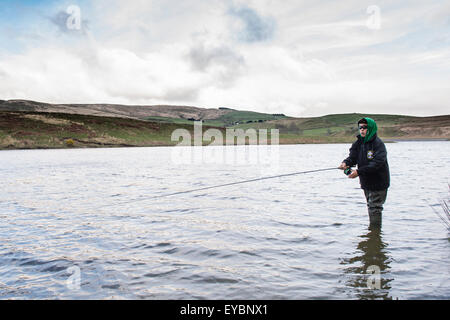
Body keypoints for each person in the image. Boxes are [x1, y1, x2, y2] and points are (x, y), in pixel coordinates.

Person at [339, 117, 390, 227]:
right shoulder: (358, 143)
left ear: (371, 128)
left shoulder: (378, 144)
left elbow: (376, 163)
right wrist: (345, 163)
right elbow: (352, 157)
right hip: (366, 182)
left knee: (375, 207)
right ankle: (373, 232)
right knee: (370, 206)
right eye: (360, 127)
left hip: (379, 182)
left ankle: (374, 234)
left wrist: (358, 172)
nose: (362, 130)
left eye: (365, 127)